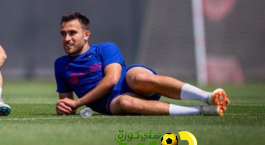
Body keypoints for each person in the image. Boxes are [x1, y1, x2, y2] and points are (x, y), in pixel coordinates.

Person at [54, 11, 230, 117]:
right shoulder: (60, 65)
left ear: (86, 35)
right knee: (125, 103)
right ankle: (201, 111)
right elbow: (67, 104)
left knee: (137, 77)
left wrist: (79, 102)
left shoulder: (105, 48)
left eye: (72, 33)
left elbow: (113, 79)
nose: (67, 38)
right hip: (110, 103)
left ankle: (207, 96)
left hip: (127, 81)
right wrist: (65, 107)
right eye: (63, 33)